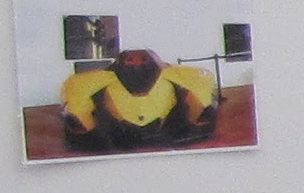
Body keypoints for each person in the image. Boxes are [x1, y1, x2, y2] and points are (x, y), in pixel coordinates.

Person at [57, 48, 218, 151]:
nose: (136, 64)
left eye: (143, 59)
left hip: (168, 124)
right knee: (77, 111)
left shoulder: (172, 75)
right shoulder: (103, 79)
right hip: (113, 130)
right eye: (130, 60)